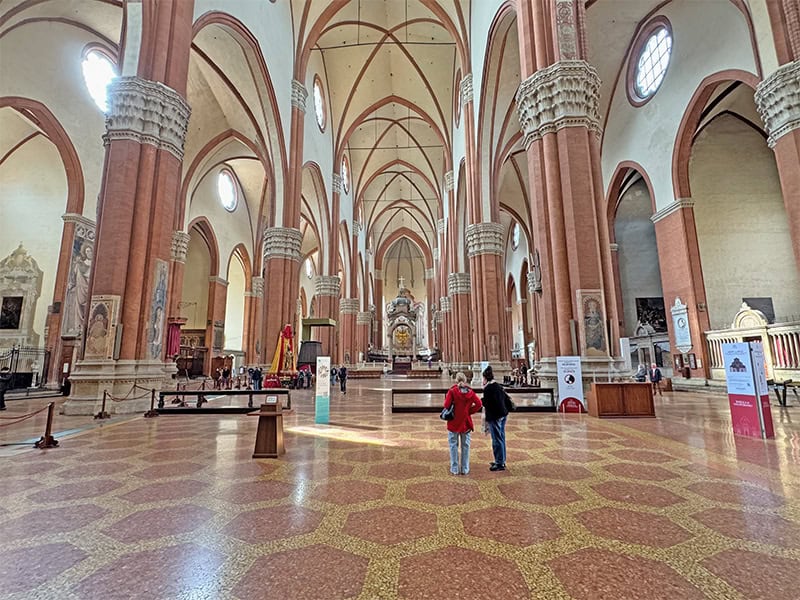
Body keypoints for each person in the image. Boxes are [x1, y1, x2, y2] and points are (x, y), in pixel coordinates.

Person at [443, 372, 482, 475]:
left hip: (453, 422)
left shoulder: (452, 391)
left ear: (456, 380)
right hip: (466, 422)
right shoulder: (470, 392)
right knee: (465, 446)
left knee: (453, 446)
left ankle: (454, 468)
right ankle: (465, 468)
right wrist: (469, 411)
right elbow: (479, 404)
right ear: (465, 380)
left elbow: (446, 406)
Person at [481, 365, 510, 471]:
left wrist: (481, 400)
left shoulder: (488, 388)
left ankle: (499, 463)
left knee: (496, 439)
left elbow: (487, 403)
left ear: (485, 378)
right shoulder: (497, 385)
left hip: (495, 416)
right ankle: (501, 460)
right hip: (502, 414)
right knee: (501, 437)